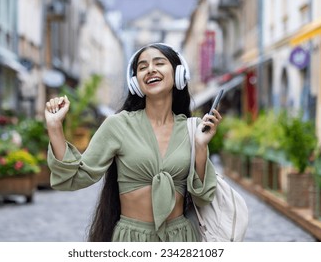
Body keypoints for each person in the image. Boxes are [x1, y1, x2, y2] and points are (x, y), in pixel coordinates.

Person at [45, 43, 222, 242]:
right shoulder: (118, 125)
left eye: (159, 63)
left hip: (180, 238)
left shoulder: (193, 128)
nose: (150, 70)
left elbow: (203, 198)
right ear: (135, 81)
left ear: (179, 73)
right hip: (131, 238)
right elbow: (76, 176)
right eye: (142, 67)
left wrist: (200, 146)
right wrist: (55, 128)